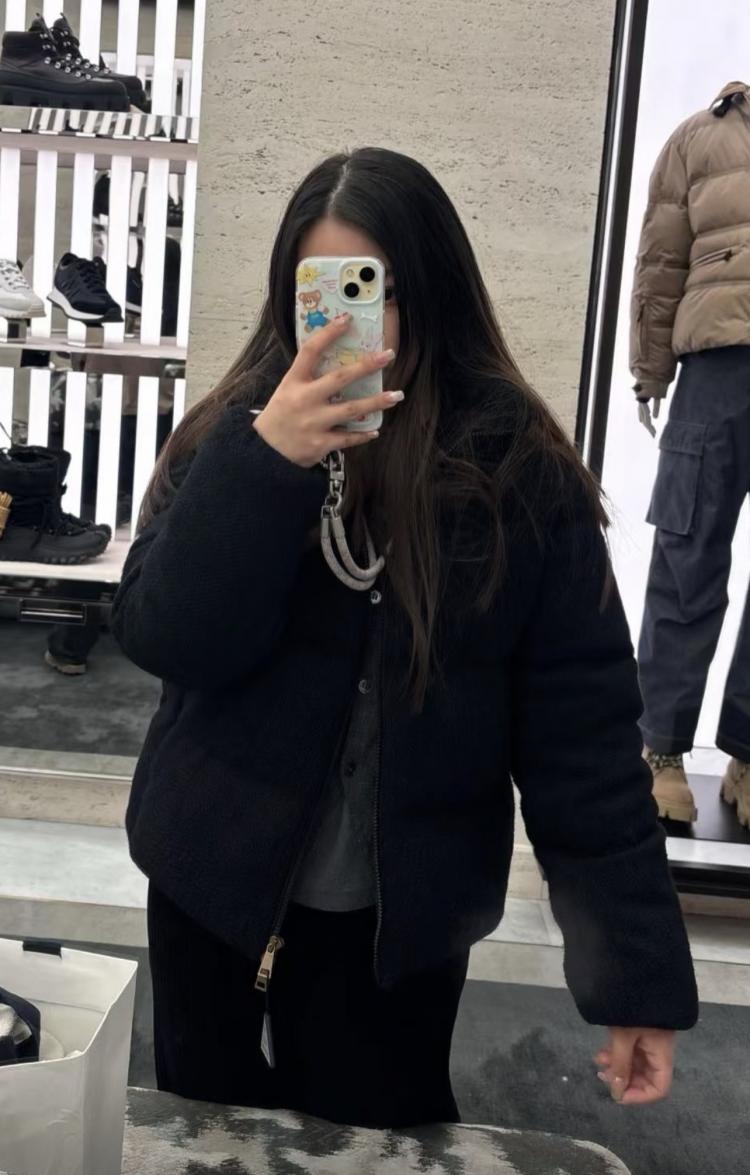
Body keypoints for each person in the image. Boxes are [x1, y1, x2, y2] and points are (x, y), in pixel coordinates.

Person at [111, 146, 698, 1130]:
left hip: (402, 922)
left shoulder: (517, 471)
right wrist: (266, 466)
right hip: (210, 889)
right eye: (323, 290)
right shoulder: (235, 433)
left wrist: (634, 975)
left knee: (378, 1139)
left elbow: (585, 740)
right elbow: (167, 636)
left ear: (430, 294)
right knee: (207, 1141)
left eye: (375, 289)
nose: (350, 321)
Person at [630, 81, 750, 827]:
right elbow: (660, 260)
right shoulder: (699, 140)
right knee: (686, 557)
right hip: (713, 372)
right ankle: (662, 750)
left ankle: (748, 755)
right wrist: (650, 369)